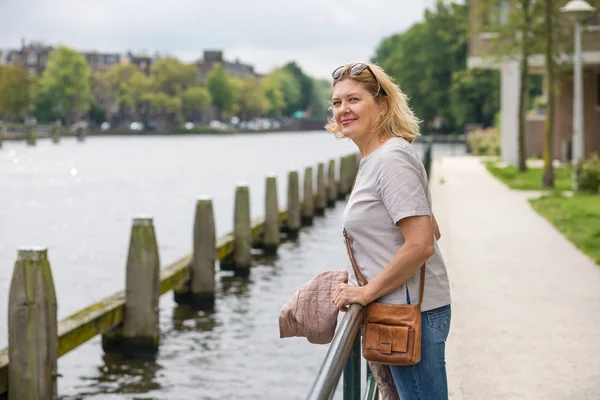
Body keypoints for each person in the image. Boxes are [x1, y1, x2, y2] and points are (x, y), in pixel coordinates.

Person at [327, 62, 452, 400]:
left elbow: (422, 243)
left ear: (381, 105)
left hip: (411, 314)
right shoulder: (376, 159)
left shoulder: (391, 159)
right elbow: (430, 228)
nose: (343, 110)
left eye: (353, 99)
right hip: (403, 310)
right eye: (337, 102)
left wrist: (366, 293)